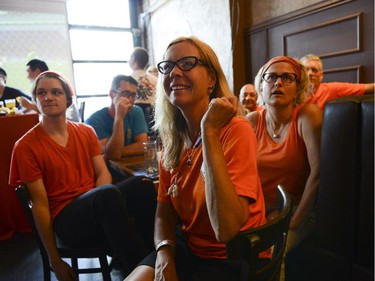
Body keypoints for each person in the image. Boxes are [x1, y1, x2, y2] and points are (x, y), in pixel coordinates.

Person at [125, 36, 267, 281]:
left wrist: (208, 131)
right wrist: (164, 253)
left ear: (211, 79)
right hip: (187, 247)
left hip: (233, 257)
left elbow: (226, 229)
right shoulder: (173, 139)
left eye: (187, 63)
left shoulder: (235, 130)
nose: (175, 72)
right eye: (167, 66)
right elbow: (164, 213)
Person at [9, 71, 157, 280]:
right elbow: (40, 206)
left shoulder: (85, 132)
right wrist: (55, 260)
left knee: (141, 183)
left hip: (93, 207)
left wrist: (99, 205)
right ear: (36, 99)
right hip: (65, 221)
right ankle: (145, 273)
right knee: (107, 195)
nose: (48, 97)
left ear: (68, 100)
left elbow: (102, 173)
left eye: (55, 92)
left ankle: (154, 258)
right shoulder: (26, 146)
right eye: (41, 93)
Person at [247, 56, 322, 256]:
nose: (278, 82)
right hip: (259, 211)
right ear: (261, 86)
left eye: (287, 78)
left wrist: (293, 220)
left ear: (298, 87)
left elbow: (318, 173)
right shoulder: (252, 121)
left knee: (267, 256)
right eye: (270, 77)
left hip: (299, 211)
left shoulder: (307, 115)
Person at [85, 74, 149, 160]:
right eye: (125, 93)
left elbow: (143, 145)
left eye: (133, 95)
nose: (130, 99)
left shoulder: (136, 111)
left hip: (130, 168)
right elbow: (114, 155)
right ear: (111, 94)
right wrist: (119, 118)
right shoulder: (94, 120)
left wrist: (114, 153)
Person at [300, 54, 374, 110]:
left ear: (321, 75)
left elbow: (370, 87)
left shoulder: (331, 89)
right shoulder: (293, 93)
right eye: (306, 70)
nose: (310, 73)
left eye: (314, 70)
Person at [129, 47, 158, 132]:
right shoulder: (155, 80)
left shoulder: (127, 80)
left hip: (133, 120)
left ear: (133, 59)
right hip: (153, 120)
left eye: (130, 57)